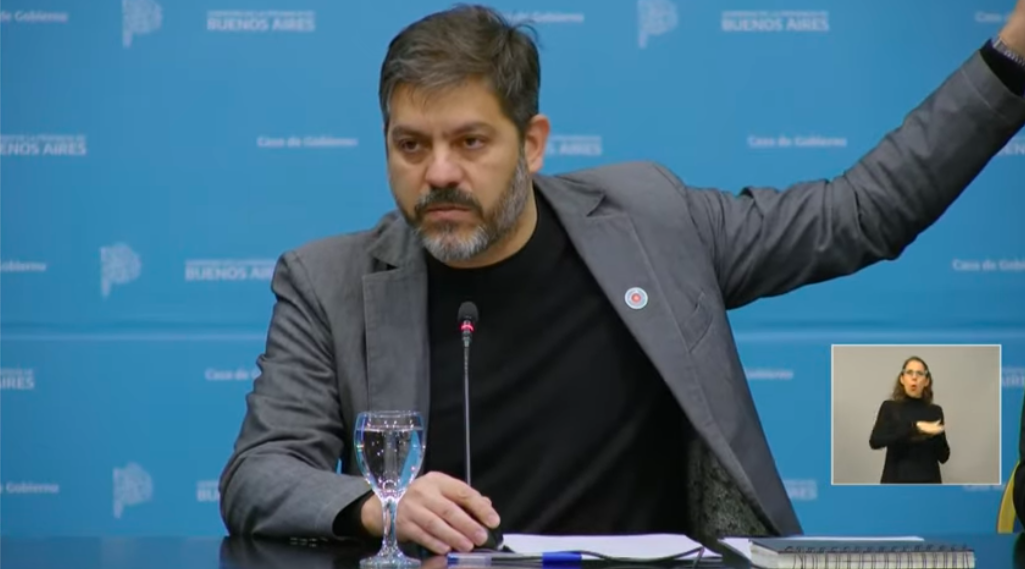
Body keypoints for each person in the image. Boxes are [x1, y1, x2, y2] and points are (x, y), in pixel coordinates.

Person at [218, 2, 1025, 555]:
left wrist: (1010, 60)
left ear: (532, 143)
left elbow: (859, 214)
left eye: (470, 142)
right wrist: (377, 506)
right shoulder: (327, 282)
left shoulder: (652, 221)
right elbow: (258, 472)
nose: (438, 174)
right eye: (411, 146)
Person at [867, 357, 950, 483]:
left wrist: (936, 435)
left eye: (919, 373)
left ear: (926, 381)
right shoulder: (890, 407)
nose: (914, 377)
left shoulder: (935, 411)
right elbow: (875, 441)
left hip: (928, 484)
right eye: (909, 372)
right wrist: (915, 427)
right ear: (902, 379)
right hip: (896, 483)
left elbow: (943, 457)